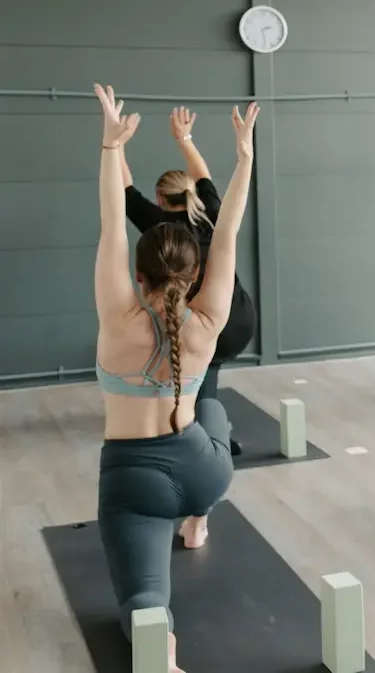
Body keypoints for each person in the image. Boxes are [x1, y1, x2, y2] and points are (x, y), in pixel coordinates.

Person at [93, 86, 257, 673]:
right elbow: (228, 230)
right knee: (213, 411)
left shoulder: (119, 320)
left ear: (139, 277)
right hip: (205, 471)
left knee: (143, 601)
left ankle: (162, 658)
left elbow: (113, 225)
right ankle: (198, 520)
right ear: (193, 276)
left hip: (135, 482)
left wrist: (112, 147)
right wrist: (244, 158)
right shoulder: (207, 321)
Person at [120, 106, 257, 456]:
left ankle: (207, 441)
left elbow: (125, 189)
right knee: (204, 366)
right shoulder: (212, 212)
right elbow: (204, 175)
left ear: (160, 198)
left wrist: (115, 146)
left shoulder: (160, 227)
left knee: (198, 365)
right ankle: (208, 426)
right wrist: (184, 139)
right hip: (240, 320)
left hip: (206, 326)